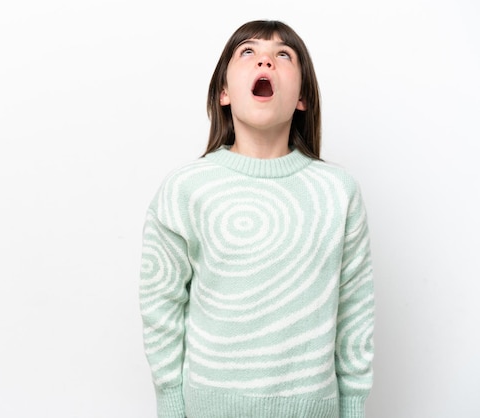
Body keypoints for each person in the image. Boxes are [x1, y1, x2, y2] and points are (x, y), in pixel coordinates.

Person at [138, 20, 375, 418]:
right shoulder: (186, 189)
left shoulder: (338, 192)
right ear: (224, 92)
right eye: (247, 52)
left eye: (284, 55)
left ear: (302, 97)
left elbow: (355, 314)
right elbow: (160, 305)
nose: (265, 59)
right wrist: (170, 400)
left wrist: (353, 408)